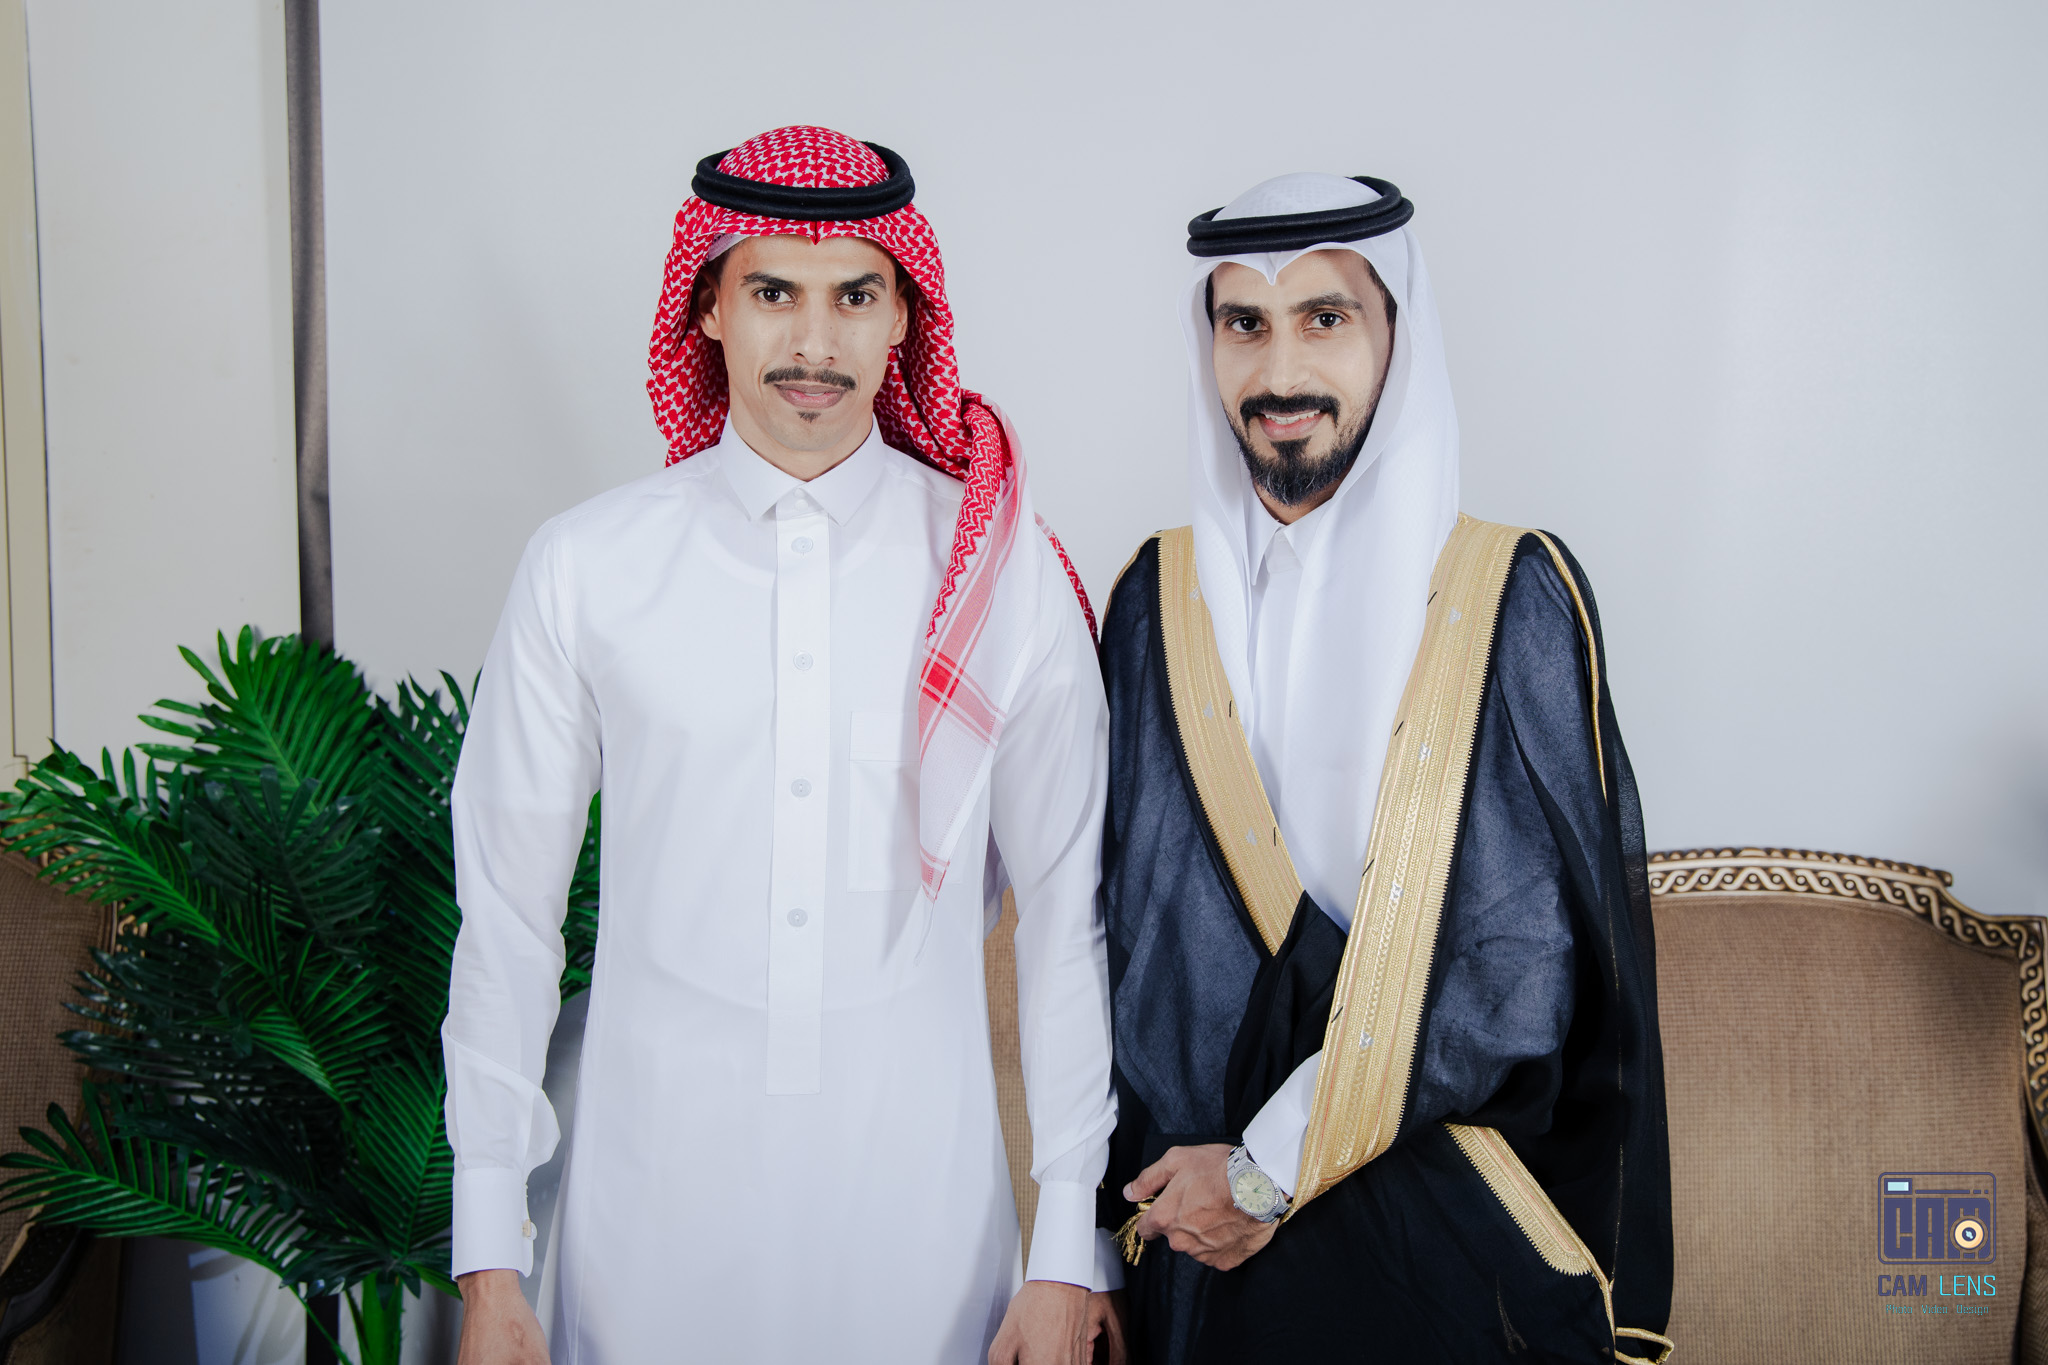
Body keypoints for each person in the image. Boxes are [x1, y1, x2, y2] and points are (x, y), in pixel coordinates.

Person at [443, 126, 1124, 1364]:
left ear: (902, 318)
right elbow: (507, 920)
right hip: (648, 1225)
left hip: (923, 1233)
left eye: (854, 297)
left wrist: (1064, 1254)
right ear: (705, 308)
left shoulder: (1000, 575)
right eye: (772, 294)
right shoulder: (587, 568)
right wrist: (491, 1261)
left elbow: (1064, 925)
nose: (814, 343)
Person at [1093, 171, 1674, 1362]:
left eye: (1325, 317)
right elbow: (1129, 942)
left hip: (1433, 1239)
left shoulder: (1507, 596)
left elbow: (1518, 966)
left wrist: (1270, 1167)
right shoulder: (1155, 601)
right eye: (1243, 323)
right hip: (1196, 1249)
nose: (1278, 372)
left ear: (1396, 338)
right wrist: (1107, 1235)